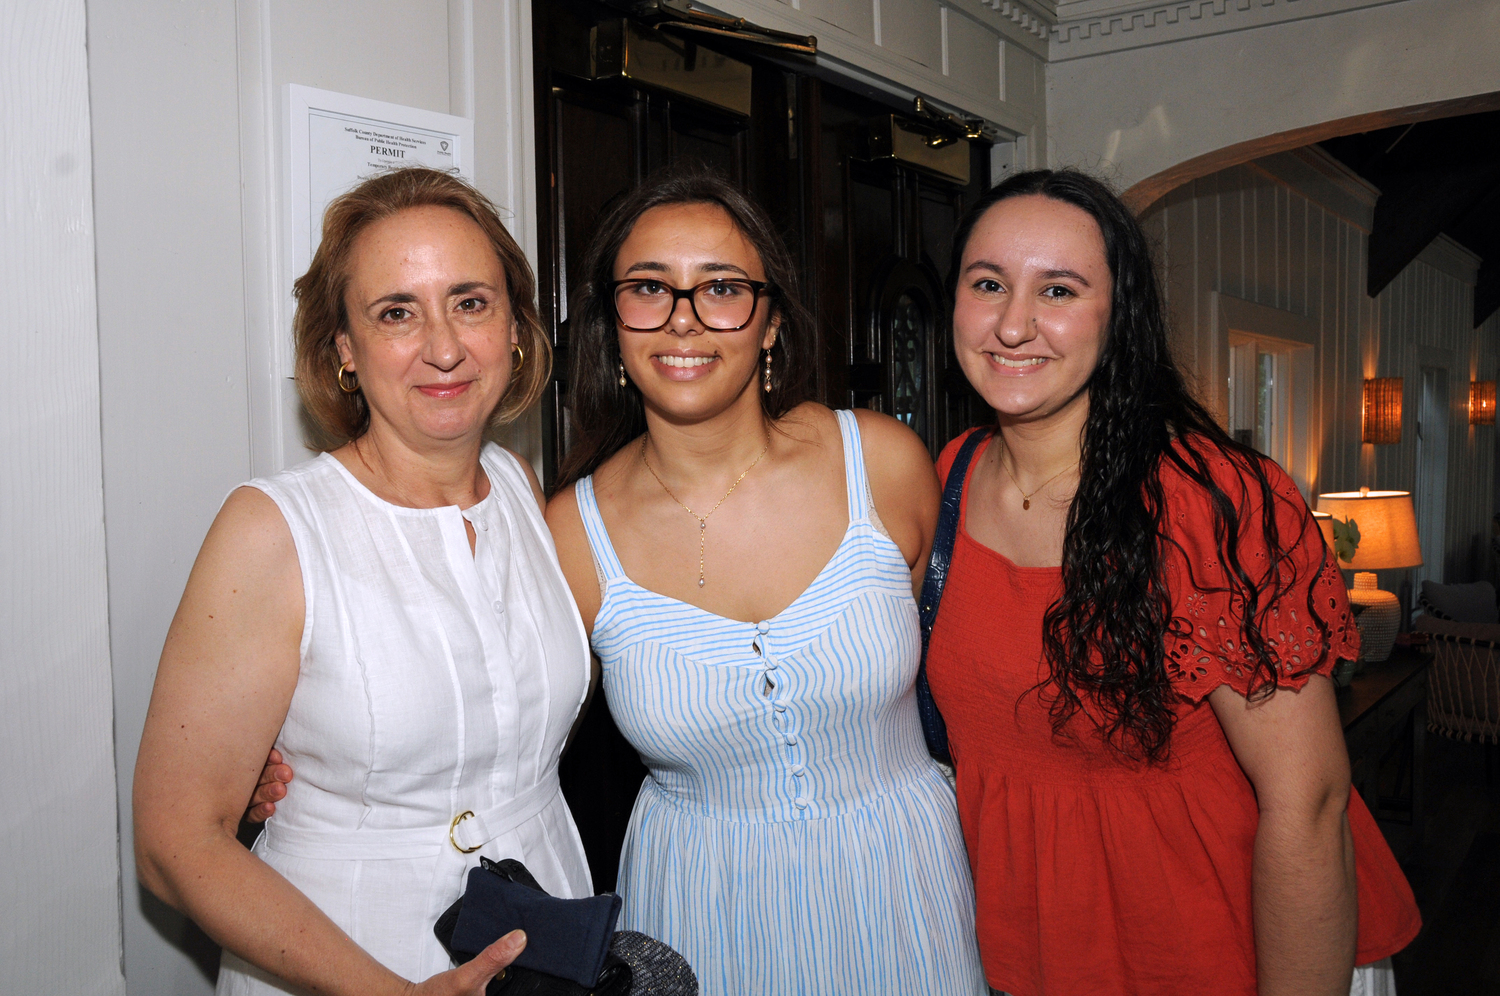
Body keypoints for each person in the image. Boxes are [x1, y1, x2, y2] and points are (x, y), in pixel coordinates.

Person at [924, 168, 1421, 996]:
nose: (1014, 324)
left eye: (1058, 289)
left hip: (1233, 949)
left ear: (1119, 318)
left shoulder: (1215, 504)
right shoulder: (946, 478)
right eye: (988, 284)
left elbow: (1309, 798)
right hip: (1036, 952)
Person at [133, 167, 591, 996]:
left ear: (516, 328)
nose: (444, 346)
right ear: (344, 349)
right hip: (342, 960)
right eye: (396, 313)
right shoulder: (274, 528)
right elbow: (174, 845)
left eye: (472, 302)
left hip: (541, 929)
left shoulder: (520, 490)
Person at [543, 170, 988, 994]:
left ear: (772, 321)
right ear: (612, 325)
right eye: (649, 288)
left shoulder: (882, 465)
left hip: (903, 890)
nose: (684, 318)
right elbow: (507, 737)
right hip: (700, 912)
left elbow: (968, 668)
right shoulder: (571, 535)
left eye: (720, 287)